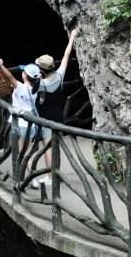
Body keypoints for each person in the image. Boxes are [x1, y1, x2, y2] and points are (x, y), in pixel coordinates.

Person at [31, 27, 80, 187]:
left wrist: (36, 79)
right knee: (55, 145)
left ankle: (51, 177)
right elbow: (66, 55)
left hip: (45, 119)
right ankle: (54, 174)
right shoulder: (59, 76)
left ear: (41, 70)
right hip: (59, 116)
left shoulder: (40, 84)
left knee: (48, 148)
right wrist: (72, 36)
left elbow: (30, 90)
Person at [0, 59, 42, 156]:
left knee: (19, 155)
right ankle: (30, 171)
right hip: (31, 125)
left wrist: (1, 65)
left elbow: (10, 76)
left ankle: (19, 171)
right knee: (26, 155)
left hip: (19, 125)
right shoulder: (35, 90)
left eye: (23, 72)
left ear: (24, 75)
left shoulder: (19, 87)